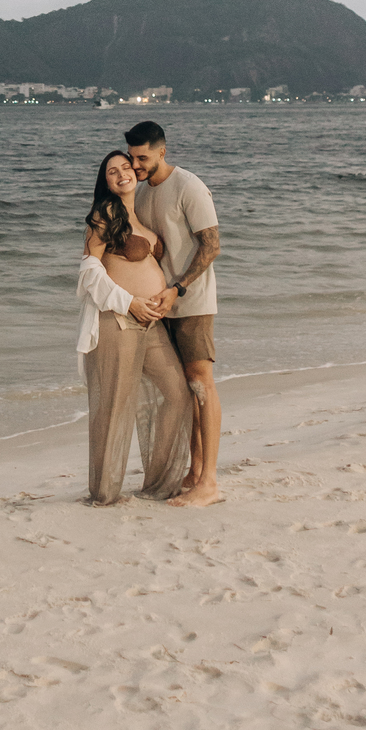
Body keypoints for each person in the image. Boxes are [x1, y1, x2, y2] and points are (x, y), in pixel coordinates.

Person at [76, 150, 193, 505]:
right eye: (112, 172)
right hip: (119, 320)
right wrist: (129, 302)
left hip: (152, 324)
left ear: (136, 172)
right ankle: (104, 494)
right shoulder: (104, 215)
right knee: (113, 408)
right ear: (106, 182)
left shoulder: (140, 215)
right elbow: (89, 271)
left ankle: (159, 484)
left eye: (126, 167)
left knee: (177, 393)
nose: (121, 174)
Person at [125, 121, 222, 507]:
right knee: (182, 389)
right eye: (131, 158)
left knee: (201, 383)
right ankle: (194, 472)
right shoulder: (142, 192)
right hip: (158, 306)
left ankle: (210, 482)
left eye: (142, 158)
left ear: (162, 152)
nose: (135, 165)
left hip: (192, 302)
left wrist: (178, 288)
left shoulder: (188, 186)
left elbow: (211, 245)